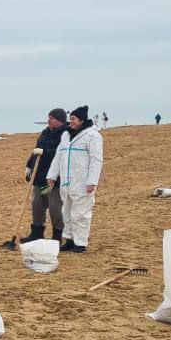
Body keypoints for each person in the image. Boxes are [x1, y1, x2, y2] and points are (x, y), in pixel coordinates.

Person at [45, 105, 104, 253]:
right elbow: (59, 156)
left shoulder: (92, 136)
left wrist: (92, 182)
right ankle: (69, 240)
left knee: (81, 214)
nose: (70, 122)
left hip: (83, 182)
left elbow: (96, 160)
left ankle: (80, 243)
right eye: (70, 118)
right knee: (67, 212)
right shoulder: (66, 135)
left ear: (82, 120)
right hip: (67, 181)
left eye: (73, 119)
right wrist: (52, 176)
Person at [20, 109, 69, 244]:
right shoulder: (46, 132)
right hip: (40, 175)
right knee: (37, 204)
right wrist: (29, 166)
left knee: (54, 206)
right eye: (49, 118)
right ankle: (37, 232)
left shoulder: (65, 133)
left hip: (53, 178)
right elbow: (36, 149)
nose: (49, 120)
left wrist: (46, 152)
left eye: (52, 118)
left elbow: (61, 153)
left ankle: (57, 235)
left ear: (60, 120)